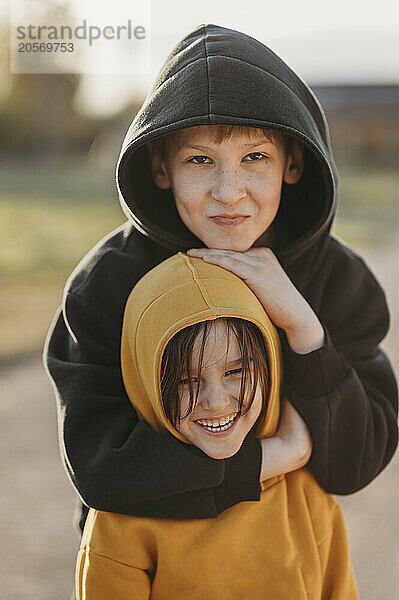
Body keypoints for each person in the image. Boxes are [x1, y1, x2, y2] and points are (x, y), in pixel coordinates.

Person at [43, 23, 398, 539]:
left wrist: (303, 328)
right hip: (149, 570)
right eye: (200, 160)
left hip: (287, 564)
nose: (229, 192)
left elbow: (357, 462)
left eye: (254, 158)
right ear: (160, 168)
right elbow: (101, 469)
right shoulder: (105, 285)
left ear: (293, 163)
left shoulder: (338, 281)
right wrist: (272, 458)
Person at [76, 253, 359, 599]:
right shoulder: (121, 521)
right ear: (147, 382)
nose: (217, 401)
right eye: (185, 381)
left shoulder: (306, 500)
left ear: (269, 363)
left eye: (236, 372)